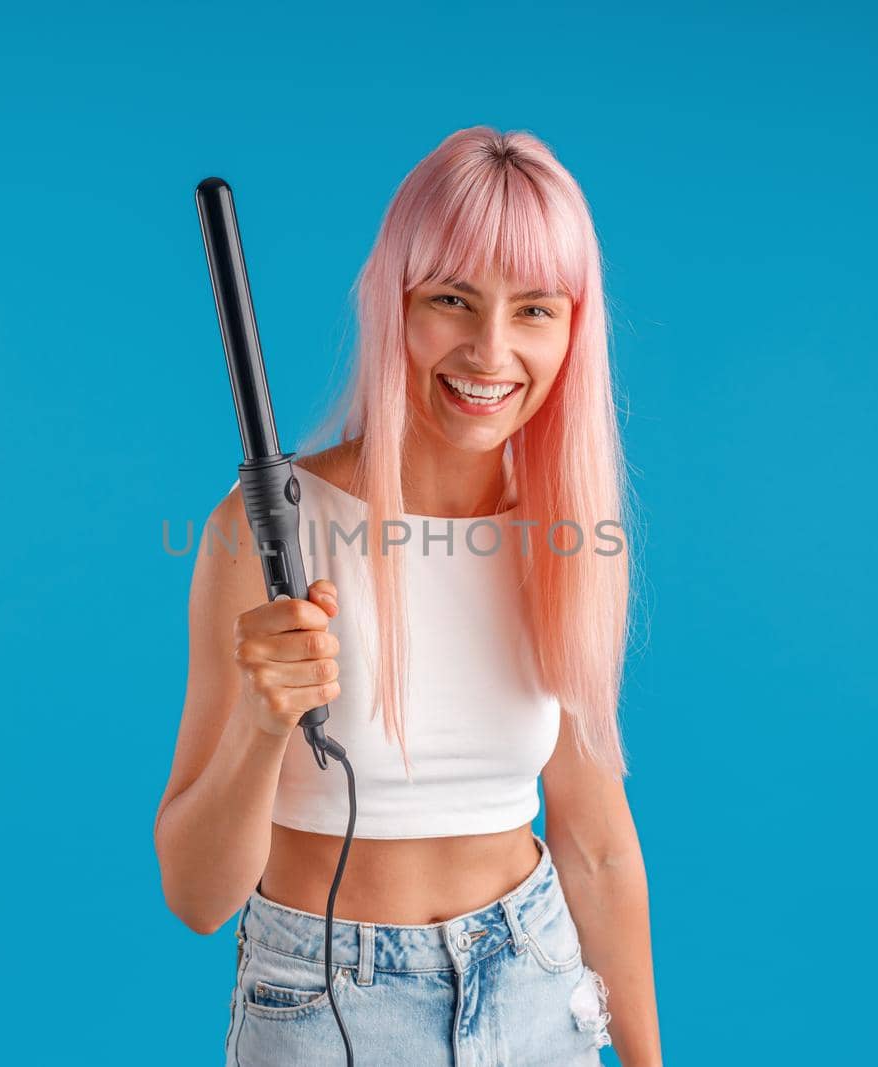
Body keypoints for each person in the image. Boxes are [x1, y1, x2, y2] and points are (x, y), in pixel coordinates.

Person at [155, 126, 662, 1065]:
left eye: (536, 310)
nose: (491, 350)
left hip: (537, 990)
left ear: (574, 328)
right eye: (453, 300)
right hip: (321, 1001)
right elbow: (196, 895)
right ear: (395, 304)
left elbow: (594, 844)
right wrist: (264, 726)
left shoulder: (575, 536)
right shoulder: (264, 528)